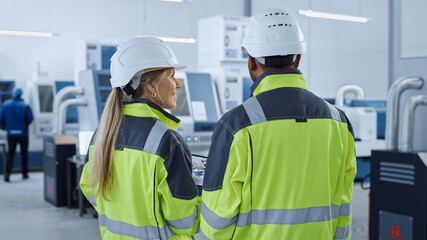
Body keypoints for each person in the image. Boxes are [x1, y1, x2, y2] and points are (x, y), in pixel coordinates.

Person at [200, 8, 356, 239]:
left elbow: (216, 218)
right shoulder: (339, 122)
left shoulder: (236, 125)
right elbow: (344, 204)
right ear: (298, 58)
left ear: (251, 62)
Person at [79, 37, 200, 239]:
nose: (177, 84)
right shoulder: (168, 142)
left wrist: (122, 208)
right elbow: (185, 222)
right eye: (171, 75)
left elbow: (88, 186)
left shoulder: (102, 133)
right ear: (151, 85)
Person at [1, 87, 34, 182]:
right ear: (21, 94)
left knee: (10, 154)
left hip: (11, 134)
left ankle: (7, 175)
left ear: (13, 94)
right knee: (24, 154)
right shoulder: (25, 106)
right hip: (23, 134)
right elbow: (30, 119)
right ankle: (25, 174)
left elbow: (1, 118)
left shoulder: (6, 105)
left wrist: (4, 127)